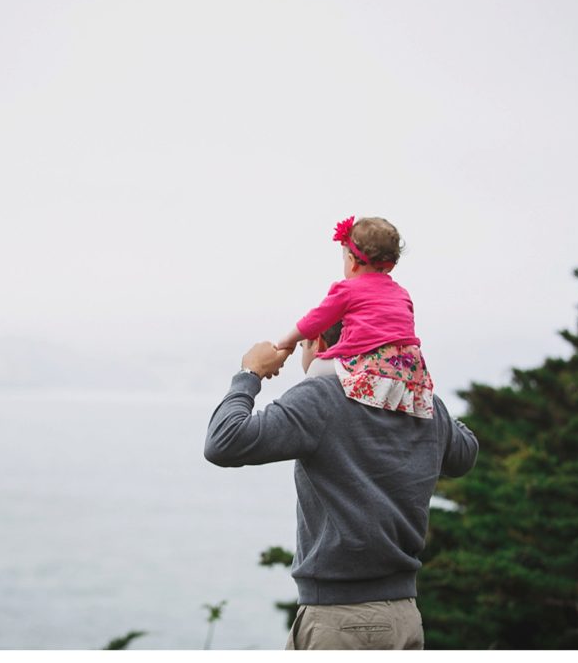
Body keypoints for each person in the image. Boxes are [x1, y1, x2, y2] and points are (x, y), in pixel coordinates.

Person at [205, 322, 479, 650]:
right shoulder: (419, 401)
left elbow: (224, 441)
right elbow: (464, 454)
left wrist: (249, 373)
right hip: (405, 616)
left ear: (319, 342)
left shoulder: (321, 398)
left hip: (339, 622)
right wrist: (414, 381)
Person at [275, 216, 434, 419]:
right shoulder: (402, 293)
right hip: (410, 368)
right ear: (390, 266)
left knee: (316, 369)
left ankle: (308, 416)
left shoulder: (348, 289)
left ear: (351, 261)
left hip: (372, 363)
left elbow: (315, 320)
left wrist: (287, 340)